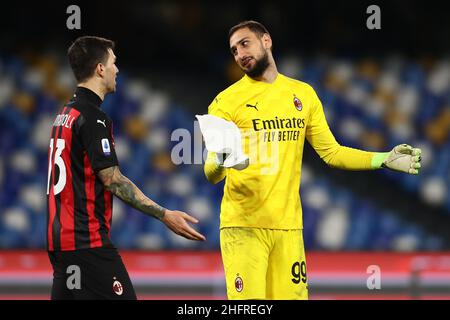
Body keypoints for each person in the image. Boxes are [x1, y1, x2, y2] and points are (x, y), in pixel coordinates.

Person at [203, 21, 422, 300]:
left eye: (245, 43)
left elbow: (331, 152)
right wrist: (222, 159)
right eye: (234, 50)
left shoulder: (303, 95)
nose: (240, 53)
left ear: (266, 41)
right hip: (243, 226)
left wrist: (382, 159)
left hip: (289, 228)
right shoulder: (225, 102)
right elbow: (211, 173)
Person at [46, 36, 205, 300]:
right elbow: (113, 180)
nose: (117, 69)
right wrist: (165, 215)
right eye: (113, 63)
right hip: (88, 244)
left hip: (60, 243)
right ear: (100, 69)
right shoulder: (93, 119)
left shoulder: (64, 114)